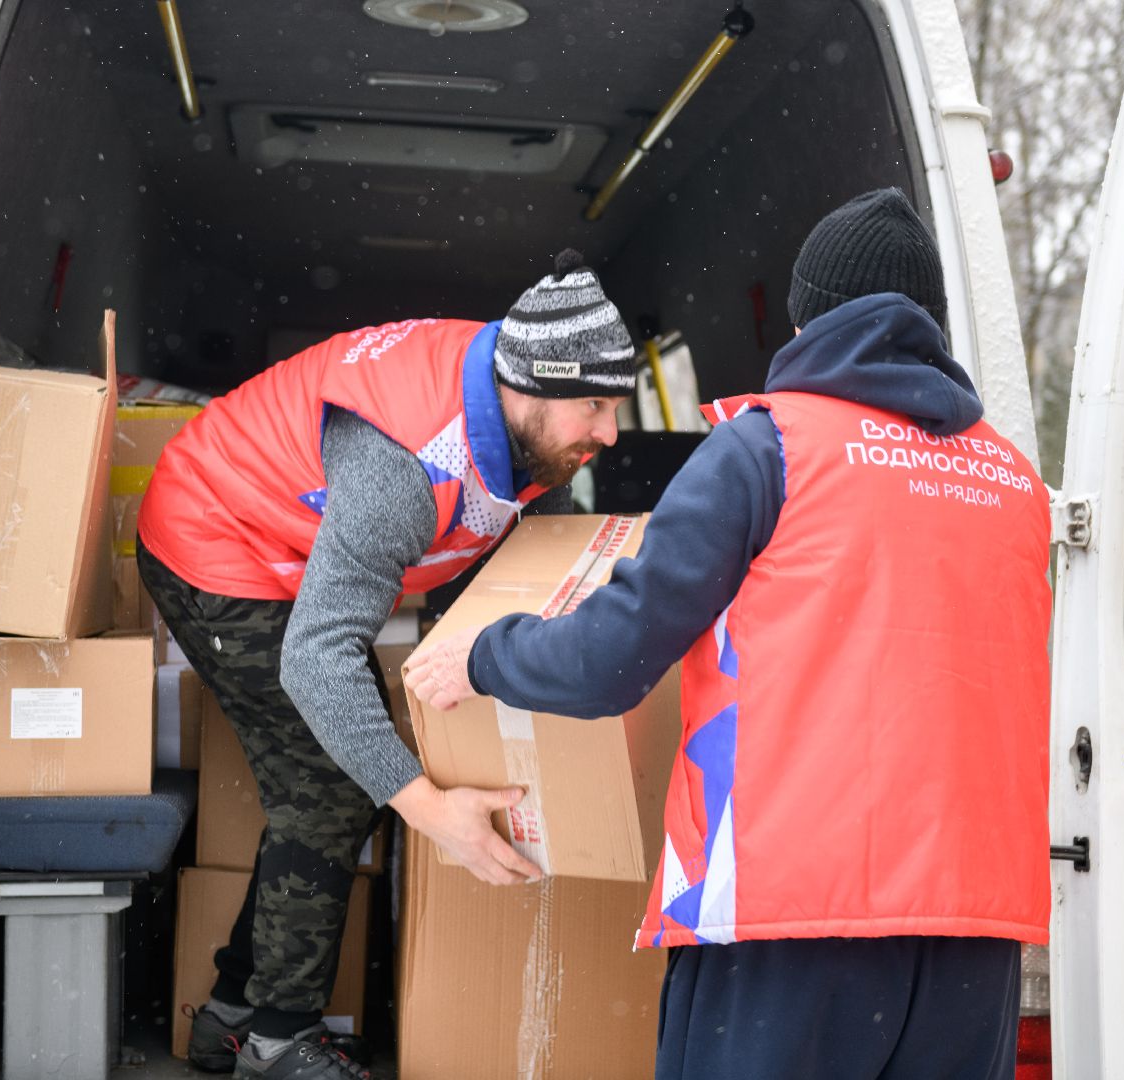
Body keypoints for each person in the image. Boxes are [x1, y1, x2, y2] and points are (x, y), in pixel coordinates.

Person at [404, 189, 1053, 1080]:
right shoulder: (1013, 481)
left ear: (805, 316)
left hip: (792, 919)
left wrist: (482, 656)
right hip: (976, 933)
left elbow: (607, 662)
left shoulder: (769, 449)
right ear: (931, 327)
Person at [136, 249, 635, 1080]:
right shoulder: (405, 467)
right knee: (337, 784)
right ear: (528, 386)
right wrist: (428, 808)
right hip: (216, 539)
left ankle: (230, 1014)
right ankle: (277, 1038)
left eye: (615, 406)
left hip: (295, 552)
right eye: (593, 406)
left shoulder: (526, 416)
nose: (610, 433)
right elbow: (315, 660)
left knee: (339, 780)